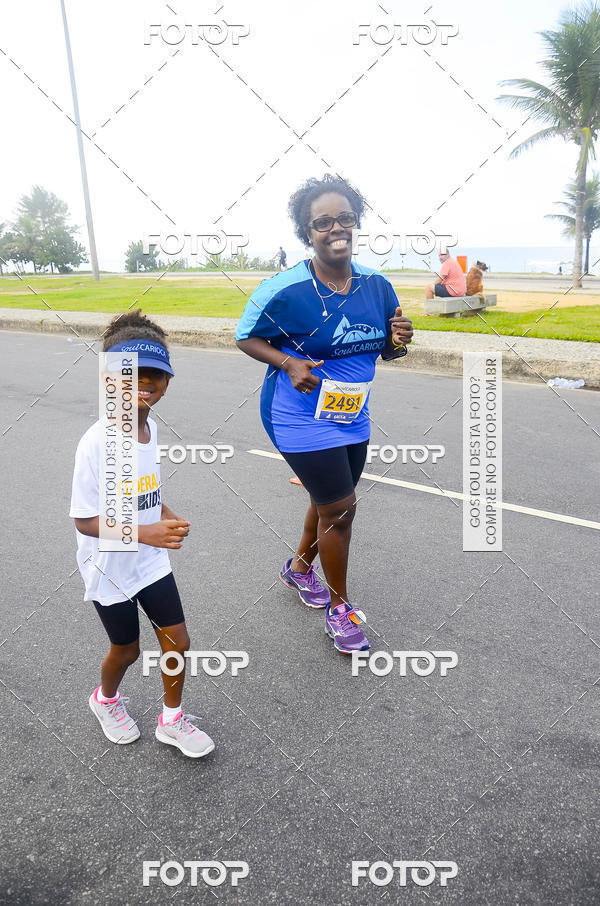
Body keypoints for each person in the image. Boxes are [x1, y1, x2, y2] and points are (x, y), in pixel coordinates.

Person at [236, 174, 413, 654]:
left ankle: (297, 570)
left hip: (351, 411)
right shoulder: (284, 288)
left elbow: (385, 348)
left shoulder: (377, 286)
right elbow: (244, 336)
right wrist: (288, 361)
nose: (336, 228)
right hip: (296, 413)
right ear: (306, 232)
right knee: (341, 508)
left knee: (330, 499)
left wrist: (399, 340)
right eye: (322, 222)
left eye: (345, 219)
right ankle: (340, 607)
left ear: (356, 223)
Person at [69, 310, 214, 758]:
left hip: (148, 560)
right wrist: (147, 532)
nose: (146, 383)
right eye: (134, 374)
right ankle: (105, 700)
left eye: (157, 375)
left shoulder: (148, 429)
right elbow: (85, 521)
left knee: (178, 641)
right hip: (110, 565)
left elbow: (144, 489)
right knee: (127, 649)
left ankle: (172, 718)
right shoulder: (98, 441)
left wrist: (165, 514)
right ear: (111, 380)